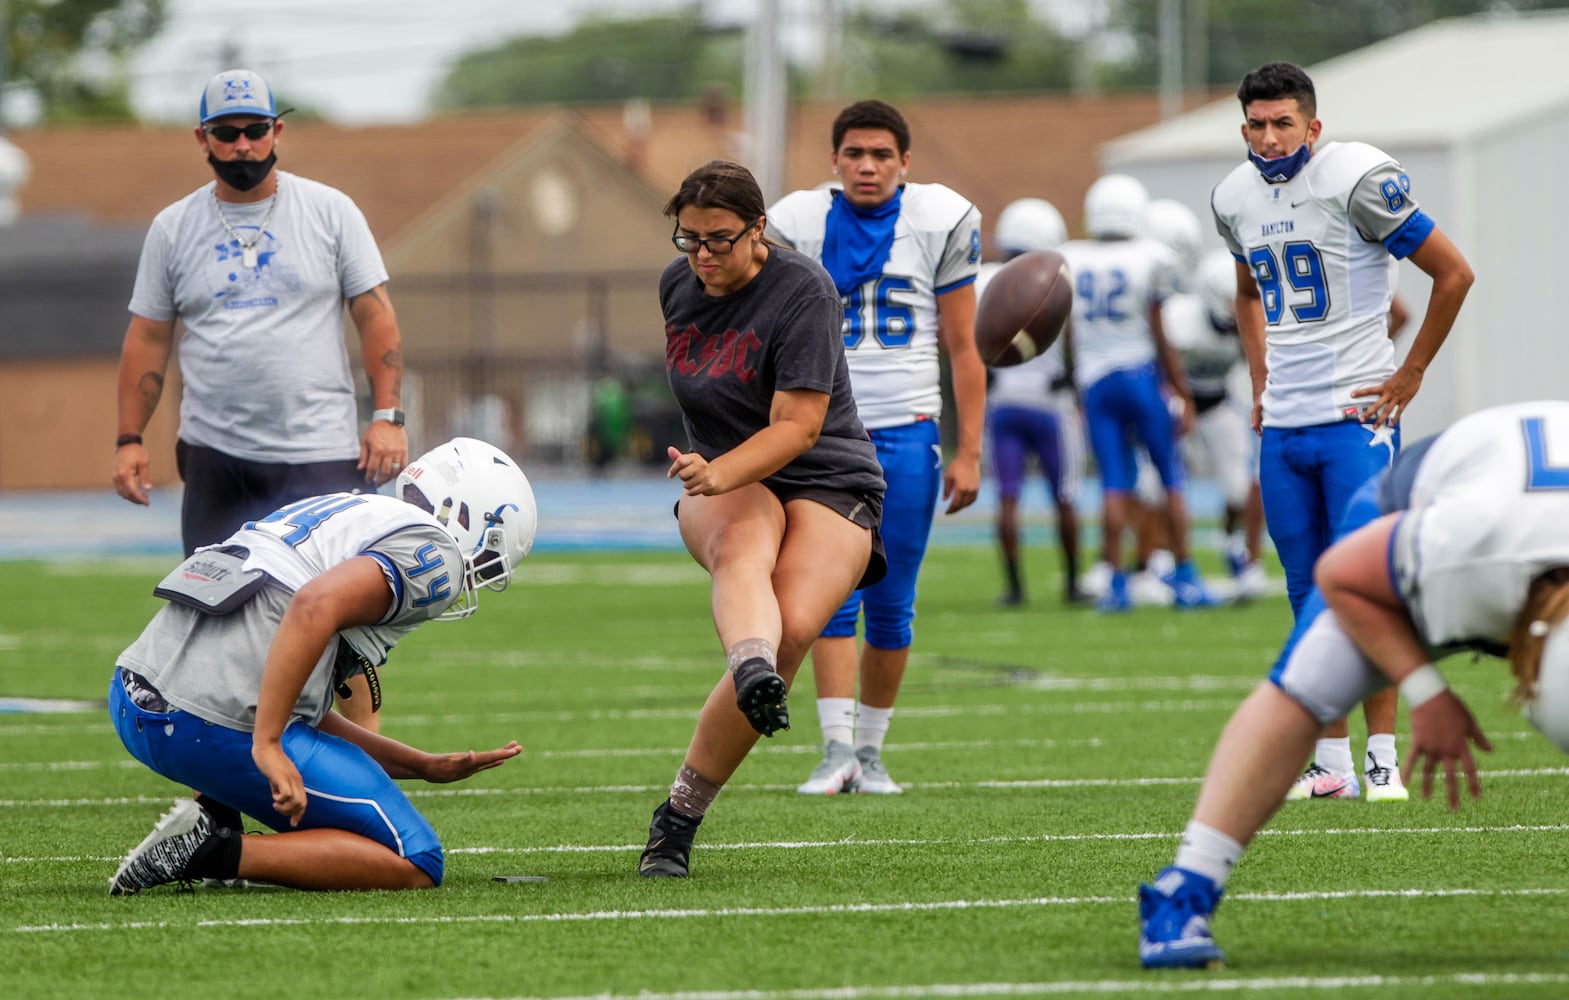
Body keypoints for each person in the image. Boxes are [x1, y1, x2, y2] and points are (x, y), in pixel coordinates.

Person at [1138, 399, 1569, 969]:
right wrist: (1426, 691)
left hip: (1513, 516)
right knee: (1305, 687)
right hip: (1431, 514)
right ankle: (1185, 887)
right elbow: (1341, 574)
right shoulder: (1458, 561)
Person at [106, 437, 537, 895]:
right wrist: (268, 742)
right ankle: (208, 850)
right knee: (415, 859)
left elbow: (288, 696)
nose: (476, 575)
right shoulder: (437, 555)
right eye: (488, 558)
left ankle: (212, 821)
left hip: (137, 699)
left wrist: (422, 765)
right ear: (464, 516)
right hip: (206, 721)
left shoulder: (354, 511)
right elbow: (313, 605)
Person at [111, 69, 408, 729]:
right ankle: (210, 788)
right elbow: (148, 337)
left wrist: (387, 417)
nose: (242, 145)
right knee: (209, 626)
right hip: (218, 459)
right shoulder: (173, 227)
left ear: (277, 131)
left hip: (321, 456)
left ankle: (361, 773)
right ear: (203, 138)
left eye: (253, 130)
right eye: (227, 133)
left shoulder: (330, 211)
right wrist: (130, 438)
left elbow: (375, 314)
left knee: (343, 631)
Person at [1214, 62, 1474, 800]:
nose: (1269, 138)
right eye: (1257, 125)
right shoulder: (1232, 196)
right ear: (1243, 129)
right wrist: (1261, 380)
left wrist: (1410, 372)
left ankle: (1382, 761)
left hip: (1355, 418)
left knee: (1368, 587)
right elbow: (1245, 294)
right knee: (1305, 592)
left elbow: (1452, 273)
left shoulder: (1353, 178)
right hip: (1284, 424)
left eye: (1282, 123)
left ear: (1313, 126)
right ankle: (1330, 766)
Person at [637, 160, 887, 877]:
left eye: (719, 240)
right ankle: (749, 667)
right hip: (722, 478)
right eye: (688, 240)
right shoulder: (676, 284)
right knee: (746, 552)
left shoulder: (802, 288)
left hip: (823, 471)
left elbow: (799, 426)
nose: (703, 257)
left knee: (797, 627)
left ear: (758, 230)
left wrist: (718, 470)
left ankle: (677, 811)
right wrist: (713, 475)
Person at [767, 99, 986, 796]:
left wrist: (969, 450)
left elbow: (962, 345)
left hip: (906, 426)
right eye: (855, 154)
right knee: (829, 596)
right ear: (833, 161)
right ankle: (836, 751)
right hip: (824, 435)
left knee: (892, 600)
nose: (867, 166)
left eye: (881, 155)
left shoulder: (937, 220)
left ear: (904, 163)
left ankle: (872, 752)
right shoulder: (796, 223)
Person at [1060, 174, 1215, 614]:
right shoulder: (1151, 257)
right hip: (1141, 375)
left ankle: (1115, 582)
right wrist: (1180, 390)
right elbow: (1159, 331)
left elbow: (1070, 334)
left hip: (1096, 382)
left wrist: (1077, 389)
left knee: (1113, 485)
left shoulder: (1073, 257)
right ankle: (1185, 576)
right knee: (1171, 480)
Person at [982, 198, 1086, 607]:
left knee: (1007, 498)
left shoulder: (984, 279)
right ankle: (1074, 583)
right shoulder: (1057, 279)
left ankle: (1014, 588)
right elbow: (1073, 338)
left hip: (1003, 401)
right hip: (1050, 403)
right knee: (1065, 495)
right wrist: (1072, 380)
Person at [1162, 248, 1269, 602]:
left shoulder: (1249, 317)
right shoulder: (1181, 320)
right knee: (1155, 487)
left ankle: (1230, 541)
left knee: (1240, 488)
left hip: (1219, 402)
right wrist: (1178, 400)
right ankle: (1156, 559)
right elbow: (1160, 360)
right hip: (1181, 402)